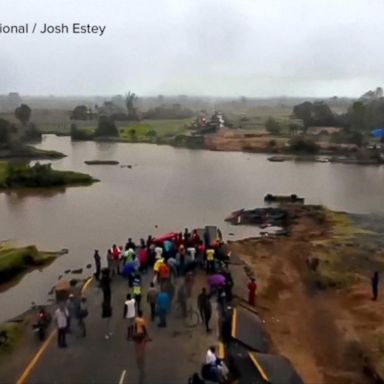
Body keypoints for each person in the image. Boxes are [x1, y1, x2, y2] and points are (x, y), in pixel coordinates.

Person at [133, 310, 150, 384]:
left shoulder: (136, 319)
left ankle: (138, 357)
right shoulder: (142, 320)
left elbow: (136, 327)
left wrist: (135, 332)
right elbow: (143, 328)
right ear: (141, 314)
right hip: (141, 335)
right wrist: (147, 335)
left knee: (137, 346)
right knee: (142, 347)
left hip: (137, 334)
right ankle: (141, 358)